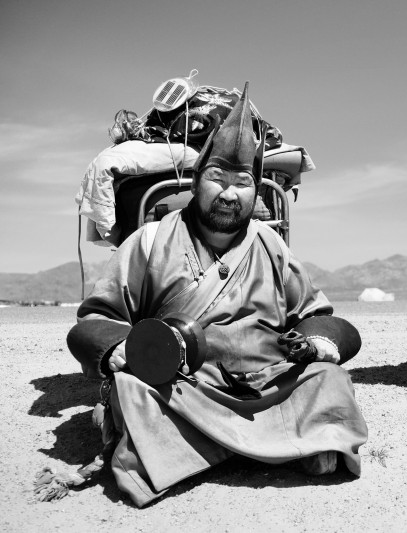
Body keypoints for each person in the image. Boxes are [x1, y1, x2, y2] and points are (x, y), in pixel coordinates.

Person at [66, 82, 368, 507]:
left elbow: (315, 312)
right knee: (132, 390)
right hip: (182, 390)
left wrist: (319, 341)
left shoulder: (271, 244)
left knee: (328, 380)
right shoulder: (151, 241)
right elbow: (96, 317)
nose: (229, 193)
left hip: (266, 388)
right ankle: (289, 444)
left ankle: (195, 453)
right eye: (217, 178)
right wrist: (118, 347)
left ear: (255, 190)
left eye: (242, 182)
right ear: (196, 180)